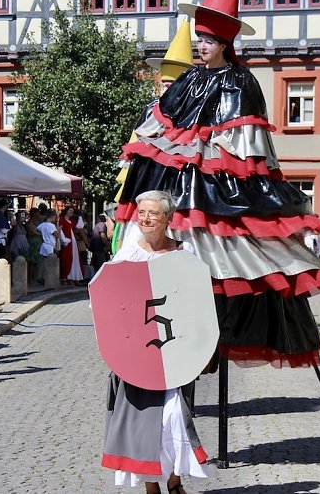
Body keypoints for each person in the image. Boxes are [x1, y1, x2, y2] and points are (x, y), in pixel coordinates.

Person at [115, 0, 320, 369]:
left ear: (225, 43)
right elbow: (159, 130)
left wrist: (210, 158)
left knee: (230, 262)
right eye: (199, 38)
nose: (201, 46)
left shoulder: (240, 81)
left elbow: (246, 147)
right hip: (179, 187)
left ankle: (214, 336)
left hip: (221, 190)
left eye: (209, 40)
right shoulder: (189, 78)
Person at [102, 190, 208, 493]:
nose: (147, 219)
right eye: (142, 213)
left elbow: (198, 298)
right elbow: (109, 298)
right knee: (144, 422)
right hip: (138, 354)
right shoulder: (128, 254)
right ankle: (152, 486)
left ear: (168, 219)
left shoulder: (185, 252)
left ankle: (174, 482)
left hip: (176, 352)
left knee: (175, 418)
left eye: (154, 213)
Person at [58, 206, 83, 284]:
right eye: (69, 210)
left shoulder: (72, 221)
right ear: (66, 211)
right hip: (67, 241)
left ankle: (74, 277)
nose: (71, 212)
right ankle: (65, 277)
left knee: (75, 259)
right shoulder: (62, 219)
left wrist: (80, 217)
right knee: (66, 258)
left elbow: (80, 227)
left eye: (72, 211)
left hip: (73, 242)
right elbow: (60, 230)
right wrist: (62, 241)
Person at [25, 208, 43, 283]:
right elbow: (30, 233)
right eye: (37, 214)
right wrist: (37, 233)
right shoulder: (29, 223)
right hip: (32, 243)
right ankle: (30, 279)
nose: (39, 215)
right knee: (32, 262)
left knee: (37, 262)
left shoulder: (39, 222)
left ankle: (35, 277)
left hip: (38, 243)